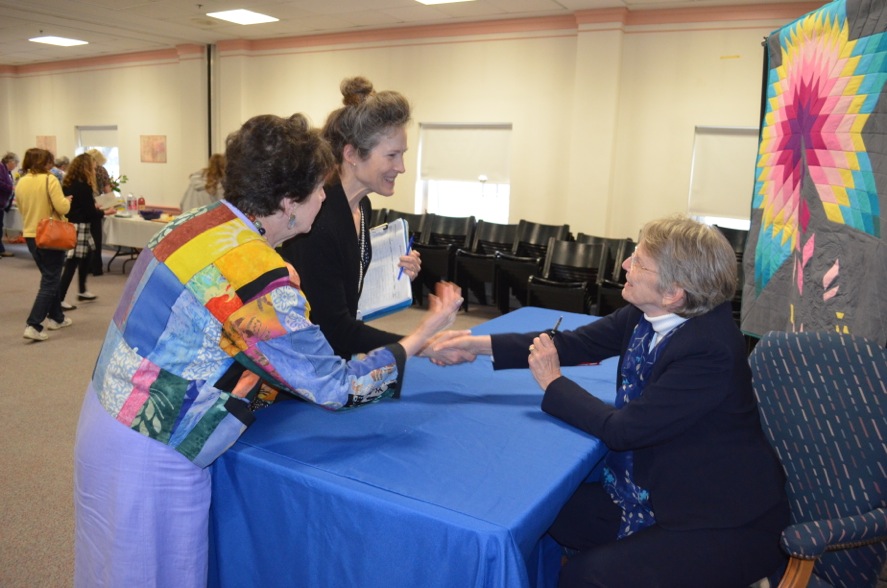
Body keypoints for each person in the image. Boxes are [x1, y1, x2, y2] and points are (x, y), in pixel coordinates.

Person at [73, 113, 463, 588]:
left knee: (108, 565)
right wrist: (422, 335)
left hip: (105, 413)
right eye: (318, 189)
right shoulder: (258, 279)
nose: (326, 195)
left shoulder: (201, 223)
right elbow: (337, 386)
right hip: (153, 446)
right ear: (288, 203)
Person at [432, 216, 789, 588]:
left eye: (638, 262)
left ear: (673, 293)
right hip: (651, 488)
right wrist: (478, 346)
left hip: (718, 518)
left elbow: (624, 430)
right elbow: (573, 343)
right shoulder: (647, 313)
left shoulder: (708, 348)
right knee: (538, 515)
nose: (625, 266)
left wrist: (553, 383)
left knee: (585, 577)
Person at [278, 76, 422, 359]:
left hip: (336, 359)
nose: (401, 167)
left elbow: (346, 291)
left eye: (402, 155)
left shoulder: (362, 207)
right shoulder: (317, 219)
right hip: (305, 364)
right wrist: (421, 343)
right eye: (392, 155)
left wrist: (393, 275)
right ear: (352, 154)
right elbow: (334, 327)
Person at [16, 148, 73, 341]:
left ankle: (56, 318)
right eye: (49, 161)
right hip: (50, 235)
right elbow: (62, 207)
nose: (51, 165)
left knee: (51, 276)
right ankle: (33, 324)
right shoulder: (50, 180)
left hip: (31, 235)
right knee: (50, 282)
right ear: (45, 163)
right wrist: (66, 200)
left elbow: (22, 208)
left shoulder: (21, 182)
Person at [59, 153, 114, 309]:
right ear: (86, 168)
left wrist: (93, 208)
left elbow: (79, 206)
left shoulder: (70, 183)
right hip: (80, 227)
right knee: (72, 262)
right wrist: (105, 212)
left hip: (75, 224)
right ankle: (60, 298)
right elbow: (90, 212)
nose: (95, 169)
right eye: (93, 166)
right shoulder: (83, 186)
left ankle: (82, 290)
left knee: (88, 255)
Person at [85, 148, 112, 276]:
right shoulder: (102, 170)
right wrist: (112, 204)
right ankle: (97, 267)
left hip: (85, 206)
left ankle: (87, 266)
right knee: (96, 237)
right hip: (99, 205)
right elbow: (107, 189)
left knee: (86, 237)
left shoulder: (83, 172)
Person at [0, 151, 18, 258]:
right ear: (10, 161)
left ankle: (1, 250)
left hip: (2, 204)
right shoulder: (1, 169)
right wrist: (11, 188)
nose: (16, 166)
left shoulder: (6, 171)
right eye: (15, 163)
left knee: (0, 227)